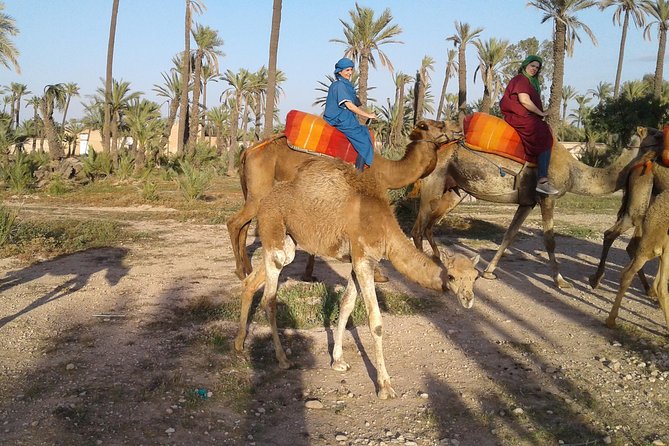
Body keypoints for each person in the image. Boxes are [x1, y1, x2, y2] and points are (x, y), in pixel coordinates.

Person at [500, 55, 559, 195]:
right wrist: (542, 113)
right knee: (544, 133)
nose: (535, 69)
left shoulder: (530, 82)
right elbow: (524, 100)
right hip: (519, 117)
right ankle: (542, 180)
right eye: (532, 65)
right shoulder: (521, 80)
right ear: (526, 65)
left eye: (537, 68)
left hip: (525, 116)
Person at [323, 57, 376, 171]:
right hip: (340, 119)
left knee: (365, 132)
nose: (350, 73)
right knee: (364, 143)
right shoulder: (339, 85)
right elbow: (349, 105)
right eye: (347, 70)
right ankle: (358, 174)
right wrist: (368, 115)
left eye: (351, 70)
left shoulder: (346, 85)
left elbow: (356, 102)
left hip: (346, 118)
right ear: (339, 72)